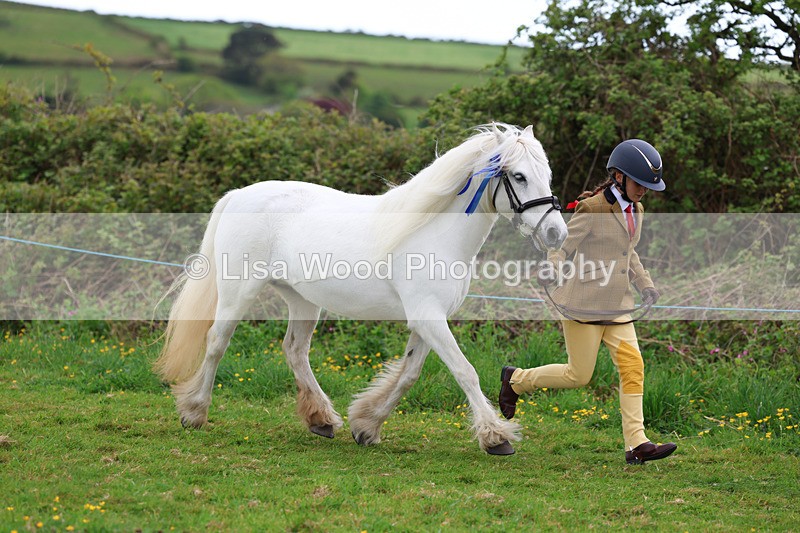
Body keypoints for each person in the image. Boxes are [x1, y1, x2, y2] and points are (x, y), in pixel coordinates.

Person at [499, 139, 677, 465]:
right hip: (584, 305)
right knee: (578, 375)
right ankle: (515, 381)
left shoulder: (637, 210)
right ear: (619, 176)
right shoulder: (592, 208)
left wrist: (645, 284)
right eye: (640, 183)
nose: (644, 191)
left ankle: (637, 444)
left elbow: (629, 252)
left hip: (619, 306)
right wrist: (552, 268)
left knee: (633, 367)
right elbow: (563, 246)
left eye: (649, 186)